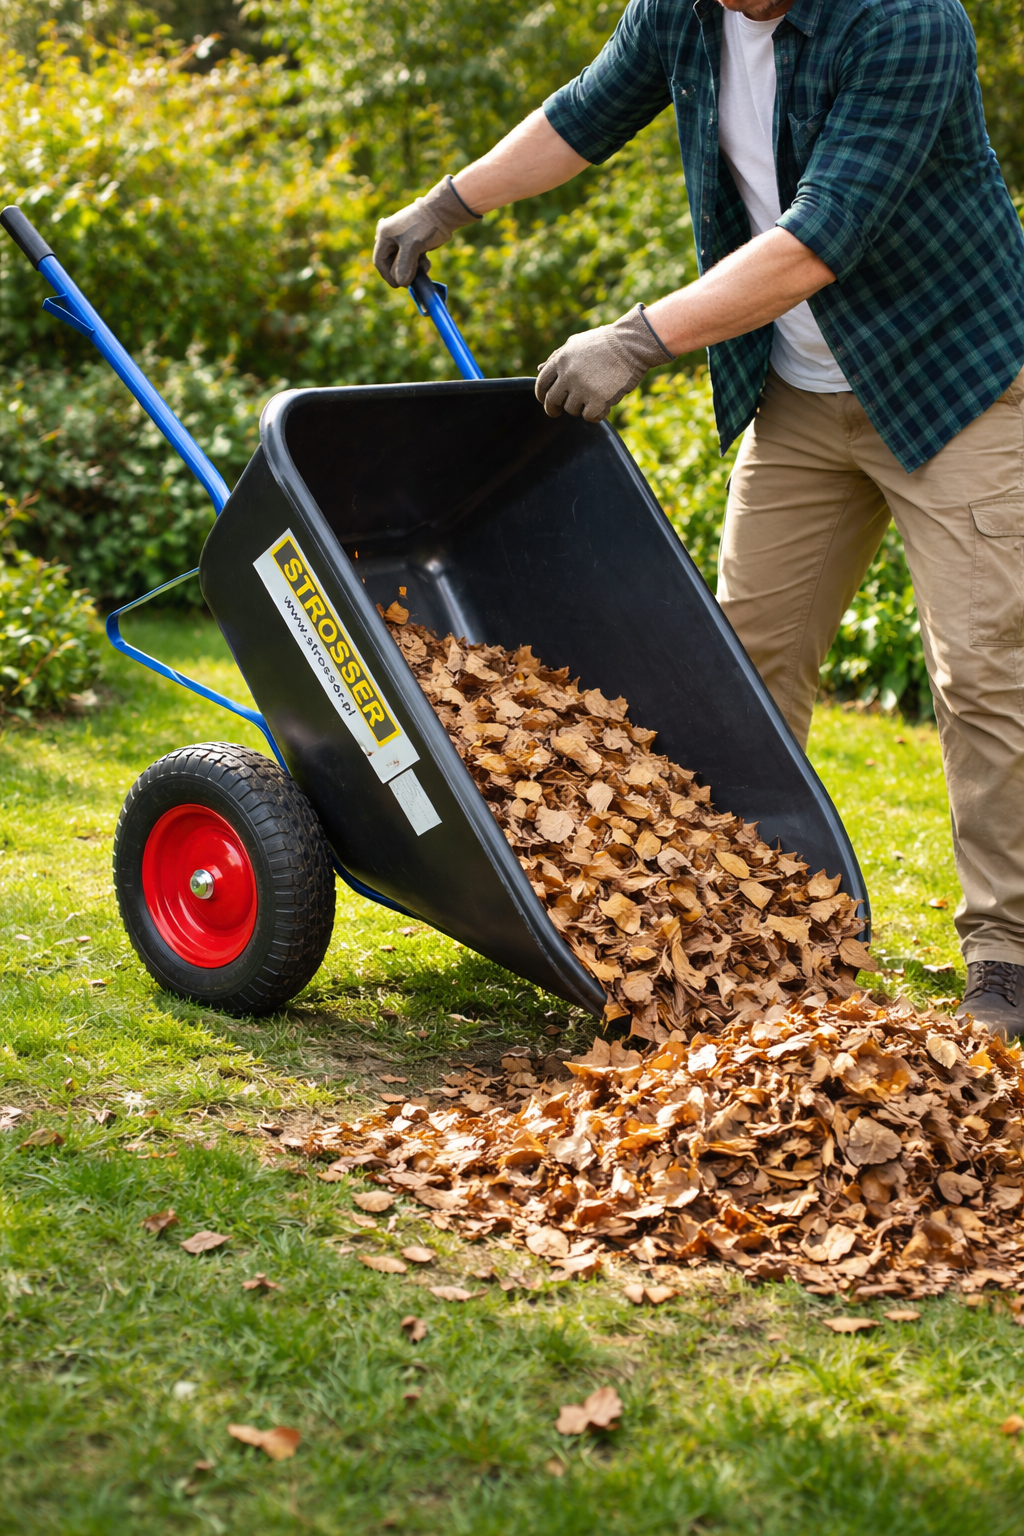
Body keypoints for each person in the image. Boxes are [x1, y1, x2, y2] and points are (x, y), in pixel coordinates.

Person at [373, 0, 1024, 1039]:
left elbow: (818, 240)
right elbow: (582, 115)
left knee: (986, 673)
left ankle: (1006, 957)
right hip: (800, 399)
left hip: (954, 385)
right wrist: (450, 201)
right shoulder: (682, 10)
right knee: (743, 666)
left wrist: (636, 339)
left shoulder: (907, 21)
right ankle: (758, 926)